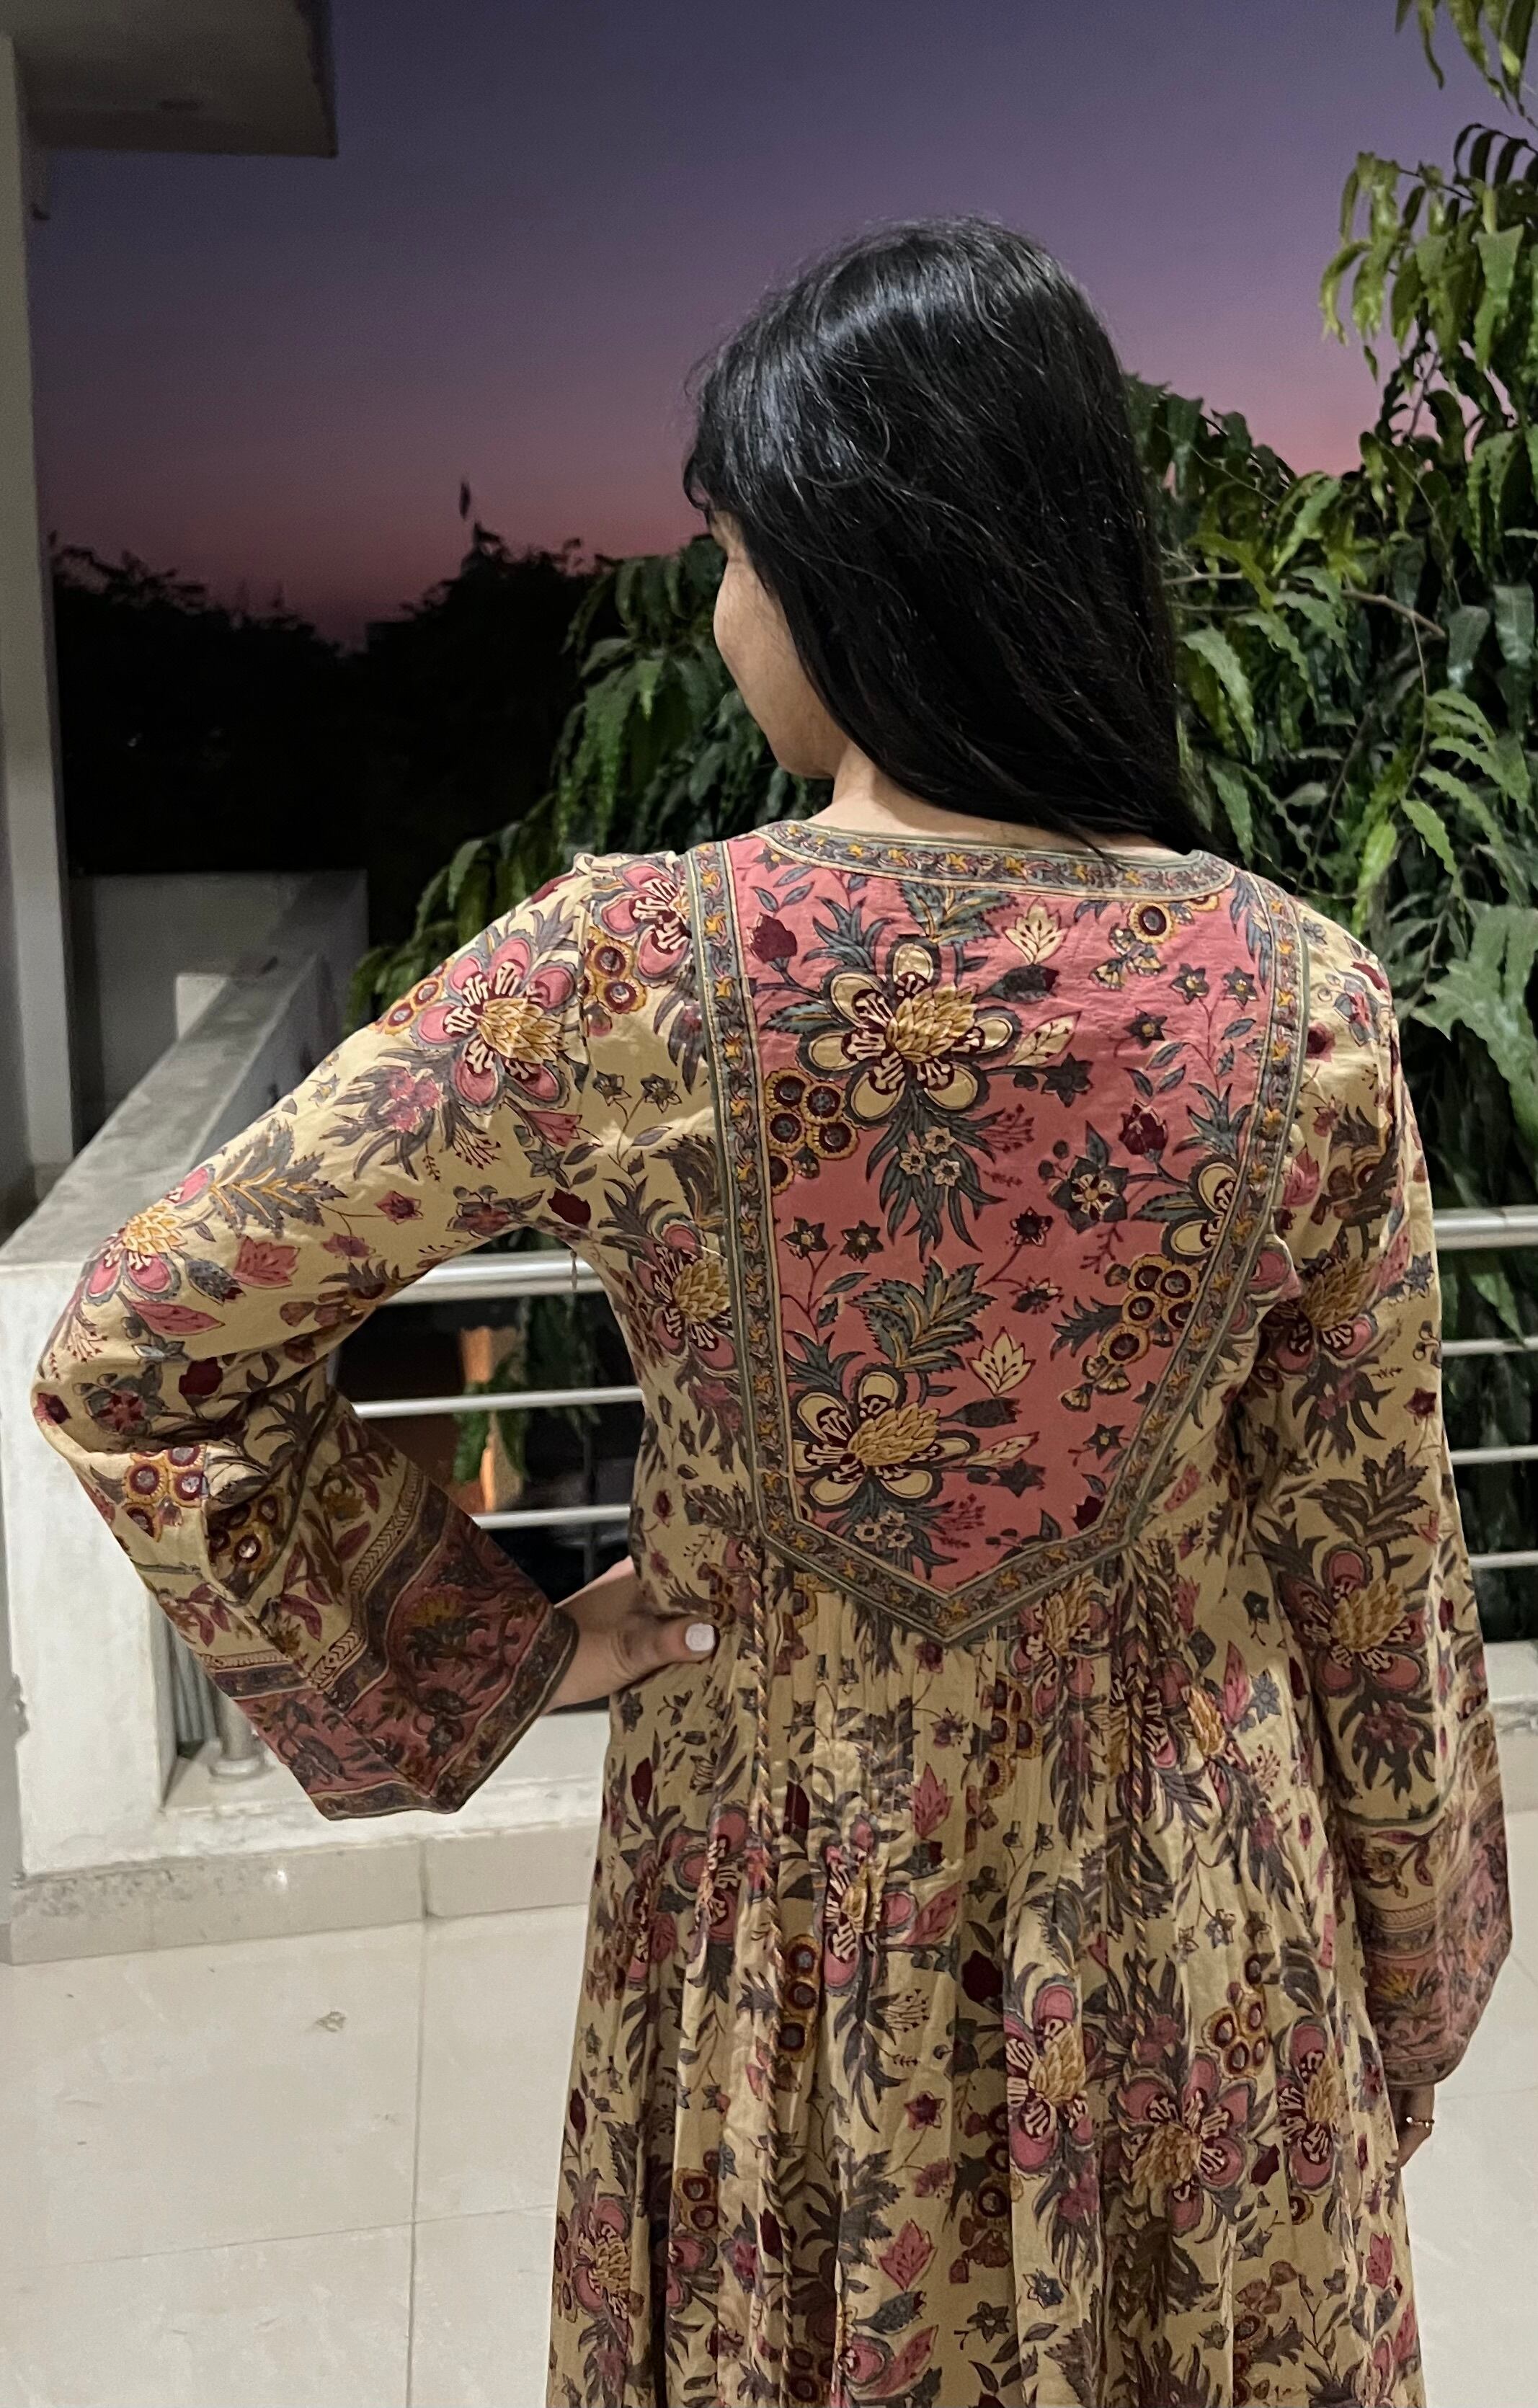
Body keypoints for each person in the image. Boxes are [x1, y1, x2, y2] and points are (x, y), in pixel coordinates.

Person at [34, 218, 1511, 2408]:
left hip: (784, 1911)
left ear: (847, 573)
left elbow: (144, 1351)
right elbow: (1373, 1561)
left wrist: (485, 1642)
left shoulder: (618, 981)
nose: (721, 616)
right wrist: (1405, 1987)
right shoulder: (1305, 1005)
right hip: (1200, 1919)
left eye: (730, 554)